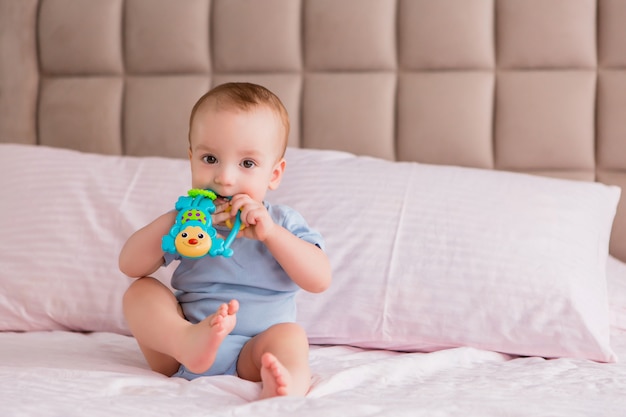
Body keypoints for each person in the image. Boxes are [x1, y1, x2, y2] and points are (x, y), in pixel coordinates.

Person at [119, 82, 332, 399]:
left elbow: (319, 279)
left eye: (247, 164)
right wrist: (174, 220)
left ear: (274, 174)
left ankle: (283, 385)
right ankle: (186, 341)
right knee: (140, 291)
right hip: (183, 345)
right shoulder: (190, 225)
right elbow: (129, 264)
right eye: (210, 159)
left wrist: (272, 235)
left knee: (290, 336)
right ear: (191, 159)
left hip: (254, 349)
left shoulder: (282, 223)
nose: (225, 178)